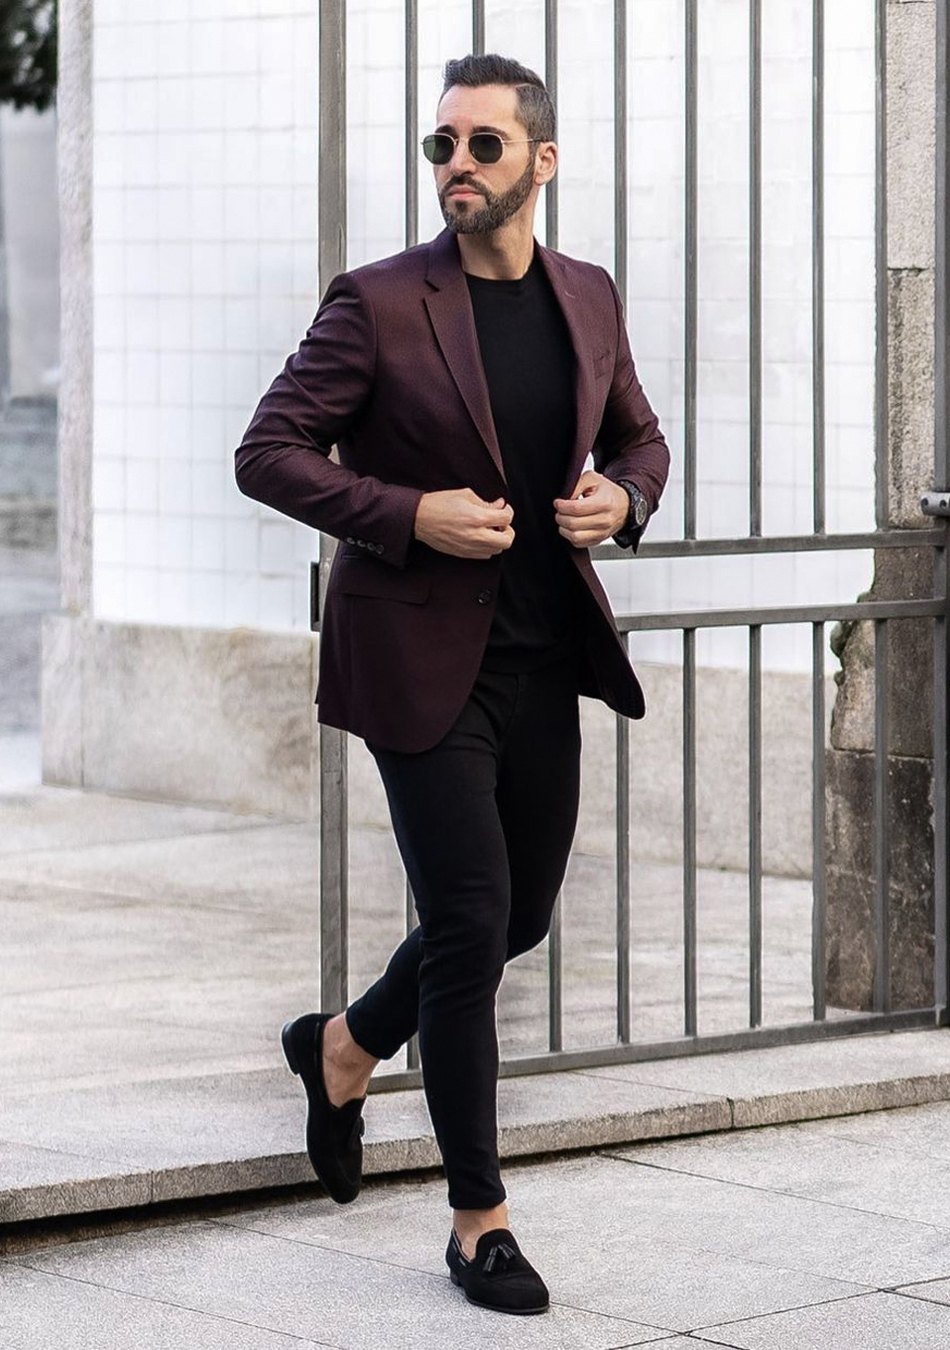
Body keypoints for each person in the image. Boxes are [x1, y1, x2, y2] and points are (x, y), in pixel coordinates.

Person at [235, 52, 669, 1317]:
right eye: (439, 147)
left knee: (517, 917)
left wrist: (623, 495)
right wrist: (404, 513)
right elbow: (268, 452)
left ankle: (343, 1046)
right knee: (473, 922)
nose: (456, 169)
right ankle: (480, 1220)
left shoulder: (585, 295)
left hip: (543, 656)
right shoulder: (374, 302)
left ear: (540, 161)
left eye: (482, 145)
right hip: (417, 656)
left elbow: (638, 432)